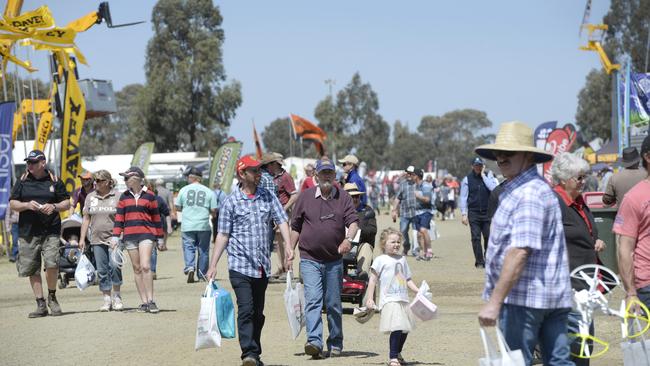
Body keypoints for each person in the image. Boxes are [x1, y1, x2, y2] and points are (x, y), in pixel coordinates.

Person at [476, 121, 573, 365]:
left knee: (518, 361)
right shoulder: (530, 189)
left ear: (528, 156)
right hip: (550, 297)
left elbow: (520, 251)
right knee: (559, 361)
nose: (501, 158)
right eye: (498, 154)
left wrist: (495, 302)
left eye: (508, 153)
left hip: (524, 299)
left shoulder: (527, 193)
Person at [206, 154, 292, 366]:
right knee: (246, 309)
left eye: (259, 170)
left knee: (258, 313)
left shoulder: (268, 196)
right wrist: (213, 264)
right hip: (239, 266)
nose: (259, 173)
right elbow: (223, 235)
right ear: (242, 174)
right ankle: (249, 354)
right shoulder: (230, 202)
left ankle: (255, 352)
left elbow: (282, 220)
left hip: (262, 266)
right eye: (254, 170)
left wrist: (289, 246)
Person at [290, 158, 359, 359]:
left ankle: (336, 342)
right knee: (313, 300)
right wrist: (289, 250)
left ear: (335, 176)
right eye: (323, 173)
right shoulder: (305, 197)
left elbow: (353, 222)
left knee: (333, 304)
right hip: (309, 258)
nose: (327, 176)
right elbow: (296, 226)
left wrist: (348, 239)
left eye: (330, 173)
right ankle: (314, 342)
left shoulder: (344, 197)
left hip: (333, 260)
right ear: (316, 176)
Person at [550, 153, 606, 365]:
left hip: (585, 288)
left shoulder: (580, 202)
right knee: (574, 351)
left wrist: (597, 240)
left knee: (583, 349)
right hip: (566, 288)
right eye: (579, 178)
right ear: (564, 179)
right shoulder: (554, 202)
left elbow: (586, 231)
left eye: (584, 177)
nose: (584, 182)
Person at [9, 149, 70, 318]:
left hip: (51, 230)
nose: (29, 165)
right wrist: (27, 205)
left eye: (33, 162)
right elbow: (13, 203)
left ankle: (52, 297)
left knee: (52, 264)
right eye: (28, 162)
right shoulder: (22, 181)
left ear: (42, 163)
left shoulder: (54, 180)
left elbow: (67, 203)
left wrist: (55, 207)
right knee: (32, 268)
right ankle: (40, 303)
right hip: (28, 231)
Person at [112, 166, 164, 313]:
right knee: (137, 268)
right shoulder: (124, 196)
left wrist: (160, 238)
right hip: (129, 236)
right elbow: (119, 218)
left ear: (136, 178)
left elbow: (156, 218)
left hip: (147, 234)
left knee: (146, 266)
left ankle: (151, 300)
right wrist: (115, 236)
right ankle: (144, 302)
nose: (125, 181)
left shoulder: (150, 195)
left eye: (127, 178)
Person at [366, 228, 420, 366]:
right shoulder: (380, 260)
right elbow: (372, 280)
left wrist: (417, 291)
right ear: (383, 243)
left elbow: (408, 279)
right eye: (392, 242)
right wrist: (370, 298)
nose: (396, 244)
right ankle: (393, 358)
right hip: (389, 300)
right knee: (397, 327)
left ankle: (398, 353)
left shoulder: (402, 259)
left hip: (403, 299)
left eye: (398, 242)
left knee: (405, 329)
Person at [79, 170, 124, 311]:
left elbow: (124, 218)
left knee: (115, 266)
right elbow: (86, 219)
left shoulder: (118, 196)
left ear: (106, 182)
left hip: (115, 238)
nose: (95, 183)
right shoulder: (90, 197)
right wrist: (82, 238)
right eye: (94, 180)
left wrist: (120, 236)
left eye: (98, 181)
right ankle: (106, 299)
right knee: (102, 270)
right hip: (96, 239)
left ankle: (117, 296)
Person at [615, 135, 650, 309]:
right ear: (647, 157)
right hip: (648, 280)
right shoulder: (634, 197)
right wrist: (631, 292)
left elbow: (607, 200)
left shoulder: (616, 178)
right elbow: (625, 248)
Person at [175, 167, 218, 283]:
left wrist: (187, 208)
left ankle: (190, 267)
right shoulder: (209, 191)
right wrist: (209, 212)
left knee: (189, 247)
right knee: (203, 250)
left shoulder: (183, 190)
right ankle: (202, 274)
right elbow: (214, 209)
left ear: (191, 177)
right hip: (203, 224)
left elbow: (177, 207)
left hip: (188, 224)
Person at [261, 152, 297, 280]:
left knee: (285, 242)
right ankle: (282, 267)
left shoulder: (285, 176)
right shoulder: (271, 177)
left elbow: (294, 195)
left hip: (282, 213)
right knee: (277, 244)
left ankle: (289, 270)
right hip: (274, 213)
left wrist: (283, 209)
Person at [459, 157, 499, 268]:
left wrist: (483, 175)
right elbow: (463, 197)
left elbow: (493, 188)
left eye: (480, 165)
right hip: (473, 213)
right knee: (476, 237)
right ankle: (480, 261)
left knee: (487, 236)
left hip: (487, 212)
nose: (478, 167)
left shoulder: (488, 176)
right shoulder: (466, 180)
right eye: (476, 165)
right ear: (472, 166)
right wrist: (464, 214)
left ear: (483, 166)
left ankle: (487, 256)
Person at [146, 179, 171, 280]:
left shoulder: (158, 199)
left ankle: (152, 271)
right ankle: (149, 271)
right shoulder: (138, 199)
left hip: (153, 228)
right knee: (151, 251)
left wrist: (169, 227)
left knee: (152, 250)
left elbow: (166, 213)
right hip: (144, 228)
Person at [391, 166, 417, 256]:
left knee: (416, 232)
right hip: (404, 213)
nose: (409, 175)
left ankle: (415, 250)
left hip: (416, 213)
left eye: (411, 173)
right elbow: (398, 198)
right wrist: (394, 210)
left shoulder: (418, 184)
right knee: (403, 231)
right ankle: (406, 247)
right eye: (408, 173)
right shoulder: (403, 184)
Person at [413, 169, 434, 260]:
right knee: (419, 234)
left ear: (417, 176)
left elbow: (427, 199)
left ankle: (429, 250)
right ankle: (423, 252)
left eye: (413, 175)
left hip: (426, 211)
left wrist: (418, 196)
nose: (411, 177)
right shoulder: (415, 186)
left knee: (423, 230)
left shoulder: (426, 186)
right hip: (417, 212)